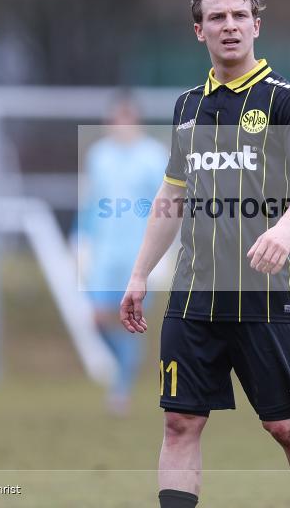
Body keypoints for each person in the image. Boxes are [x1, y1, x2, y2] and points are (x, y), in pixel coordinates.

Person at [120, 0, 290, 508]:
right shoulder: (187, 108)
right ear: (200, 31)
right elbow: (171, 197)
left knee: (286, 428)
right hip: (194, 296)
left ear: (256, 25)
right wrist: (139, 273)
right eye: (217, 17)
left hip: (263, 297)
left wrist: (285, 229)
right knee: (179, 423)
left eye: (240, 16)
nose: (230, 26)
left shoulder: (287, 101)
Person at [73, 97, 166, 415]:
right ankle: (123, 370)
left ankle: (121, 390)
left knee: (131, 321)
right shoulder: (98, 156)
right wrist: (80, 239)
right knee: (97, 320)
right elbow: (89, 201)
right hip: (104, 253)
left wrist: (165, 253)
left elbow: (167, 205)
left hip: (138, 254)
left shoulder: (154, 157)